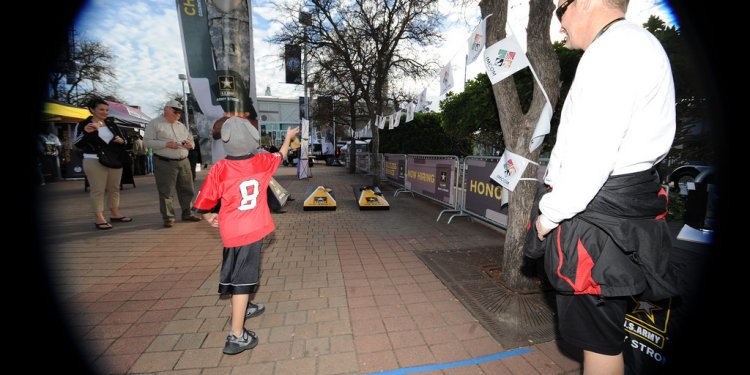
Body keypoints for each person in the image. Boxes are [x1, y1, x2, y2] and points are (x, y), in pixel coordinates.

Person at [526, 1, 678, 373]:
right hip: (618, 215)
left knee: (599, 344)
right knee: (605, 337)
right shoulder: (639, 44)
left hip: (595, 222)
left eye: (560, 10)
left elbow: (591, 155)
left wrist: (547, 218)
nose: (559, 25)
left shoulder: (612, 51)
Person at [193, 117, 299, 355]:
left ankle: (245, 307)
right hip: (252, 231)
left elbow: (203, 203)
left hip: (232, 231)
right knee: (242, 280)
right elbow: (281, 154)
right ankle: (236, 336)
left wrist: (208, 217)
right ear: (252, 139)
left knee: (235, 271)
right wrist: (288, 137)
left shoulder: (220, 168)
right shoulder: (262, 161)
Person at [73, 98, 132, 230]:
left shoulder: (111, 123)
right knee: (98, 190)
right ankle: (99, 217)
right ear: (92, 109)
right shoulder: (83, 124)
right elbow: (77, 144)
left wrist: (121, 141)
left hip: (114, 160)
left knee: (114, 188)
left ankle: (115, 213)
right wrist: (86, 133)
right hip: (93, 159)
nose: (105, 112)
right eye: (101, 109)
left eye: (106, 110)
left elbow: (125, 142)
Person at [143, 99, 201, 227]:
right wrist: (166, 144)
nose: (178, 115)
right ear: (166, 109)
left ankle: (187, 213)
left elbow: (191, 141)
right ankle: (168, 217)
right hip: (165, 162)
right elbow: (147, 142)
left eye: (180, 112)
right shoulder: (155, 124)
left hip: (184, 161)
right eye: (175, 111)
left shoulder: (181, 126)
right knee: (166, 191)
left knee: (187, 189)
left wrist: (190, 145)